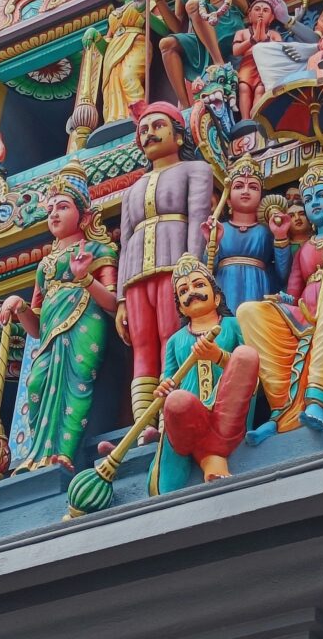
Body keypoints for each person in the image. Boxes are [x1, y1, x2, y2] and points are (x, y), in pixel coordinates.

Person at [238, 153, 323, 443]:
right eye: (308, 198)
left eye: (322, 195)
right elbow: (295, 289)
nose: (314, 203)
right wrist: (283, 299)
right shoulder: (307, 247)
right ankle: (279, 412)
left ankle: (317, 401)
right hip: (307, 310)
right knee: (250, 311)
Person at [0, 159, 118, 472]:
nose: (54, 213)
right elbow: (35, 327)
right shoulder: (45, 265)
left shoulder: (99, 251)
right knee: (37, 384)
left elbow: (113, 302)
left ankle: (63, 454)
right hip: (50, 333)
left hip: (84, 323)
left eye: (63, 207)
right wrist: (19, 305)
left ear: (83, 214)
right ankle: (39, 455)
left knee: (77, 383)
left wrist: (84, 278)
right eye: (51, 208)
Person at [116, 101, 213, 439]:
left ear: (178, 133)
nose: (150, 134)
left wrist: (192, 268)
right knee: (142, 344)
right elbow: (125, 240)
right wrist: (120, 301)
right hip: (135, 273)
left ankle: (169, 414)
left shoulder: (196, 171)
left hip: (176, 267)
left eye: (158, 126)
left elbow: (199, 217)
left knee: (170, 338)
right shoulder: (131, 191)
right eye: (143, 129)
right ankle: (144, 422)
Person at [148, 255, 259, 495]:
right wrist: (165, 388)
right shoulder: (175, 341)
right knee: (176, 400)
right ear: (179, 306)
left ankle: (213, 456)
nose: (192, 293)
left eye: (199, 285)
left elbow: (256, 378)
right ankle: (210, 458)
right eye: (184, 290)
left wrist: (218, 356)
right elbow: (169, 379)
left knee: (246, 356)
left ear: (216, 296)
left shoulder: (232, 325)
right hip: (191, 420)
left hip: (228, 414)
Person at [206, 155, 292, 312]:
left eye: (253, 187)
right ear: (228, 200)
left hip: (257, 286)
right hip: (225, 285)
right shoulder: (220, 228)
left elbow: (283, 274)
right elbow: (207, 270)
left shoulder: (266, 231)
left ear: (261, 198)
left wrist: (280, 237)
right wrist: (213, 242)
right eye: (238, 186)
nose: (246, 191)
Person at [80, 0, 147, 125]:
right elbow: (106, 47)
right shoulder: (114, 14)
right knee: (112, 85)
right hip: (114, 51)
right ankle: (116, 119)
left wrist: (144, 12)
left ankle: (141, 116)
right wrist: (96, 36)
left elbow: (162, 28)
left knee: (128, 76)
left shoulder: (145, 3)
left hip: (137, 43)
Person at [232, 0, 282, 119]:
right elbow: (236, 51)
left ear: (271, 17)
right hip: (248, 64)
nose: (260, 13)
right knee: (244, 88)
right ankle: (245, 120)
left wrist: (265, 39)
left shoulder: (274, 34)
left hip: (264, 65)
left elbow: (279, 52)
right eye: (257, 9)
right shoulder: (242, 33)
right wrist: (252, 40)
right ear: (250, 14)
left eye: (265, 10)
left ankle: (256, 118)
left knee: (261, 89)